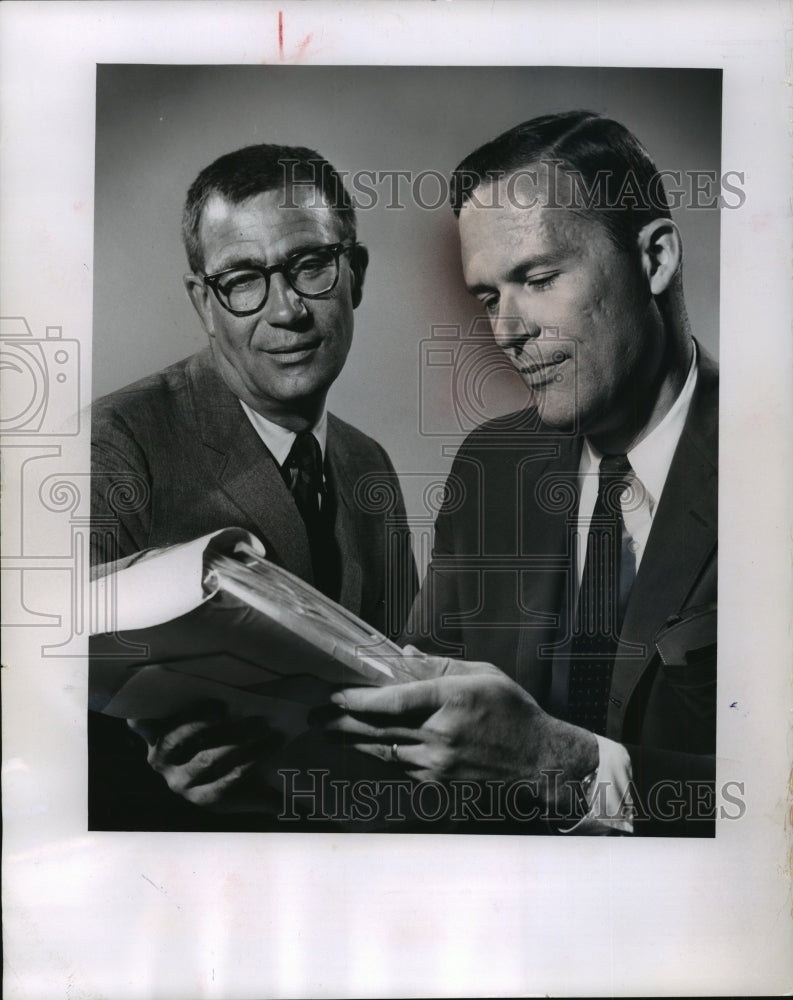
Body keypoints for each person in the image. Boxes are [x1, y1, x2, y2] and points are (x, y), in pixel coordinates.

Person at [330, 111, 718, 836]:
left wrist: (561, 765)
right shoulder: (489, 469)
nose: (506, 331)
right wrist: (258, 766)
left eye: (537, 279)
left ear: (655, 259)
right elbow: (428, 746)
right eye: (487, 297)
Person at [89, 143, 417, 830]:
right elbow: (38, 701)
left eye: (310, 265)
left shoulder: (369, 466)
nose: (287, 310)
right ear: (203, 303)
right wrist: (151, 760)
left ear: (353, 273)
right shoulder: (112, 444)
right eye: (243, 279)